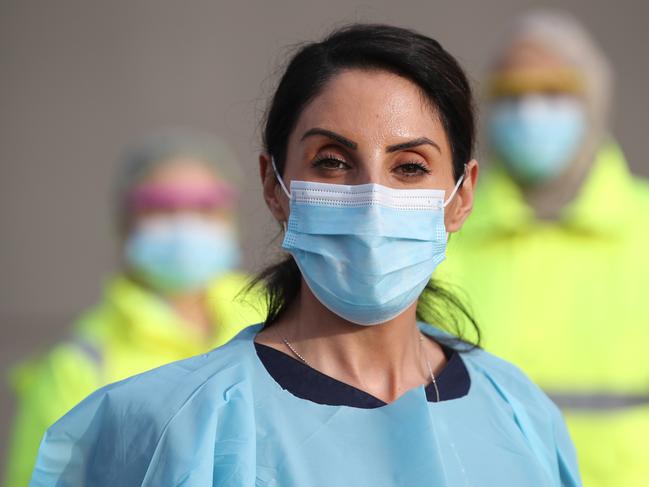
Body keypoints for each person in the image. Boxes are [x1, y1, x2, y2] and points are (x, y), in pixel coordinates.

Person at [29, 25, 580, 486]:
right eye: (333, 162)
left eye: (410, 167)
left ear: (461, 196)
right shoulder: (163, 426)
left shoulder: (520, 414)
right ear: (274, 184)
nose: (371, 200)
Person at [434, 11, 649, 487]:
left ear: (592, 99)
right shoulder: (443, 234)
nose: (530, 111)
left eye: (553, 92)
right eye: (511, 95)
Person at [5, 130, 263, 487]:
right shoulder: (76, 367)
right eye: (160, 206)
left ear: (232, 220)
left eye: (205, 206)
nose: (184, 225)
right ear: (124, 224)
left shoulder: (281, 318)